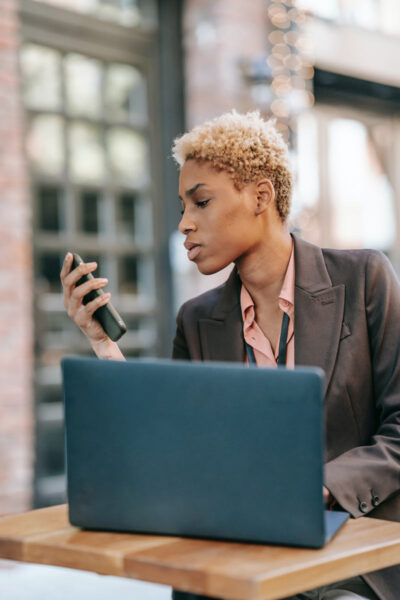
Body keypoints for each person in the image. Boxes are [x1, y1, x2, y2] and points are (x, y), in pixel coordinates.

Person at [60, 110, 400, 600]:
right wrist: (102, 342)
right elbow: (167, 446)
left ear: (261, 196)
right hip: (235, 557)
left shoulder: (364, 279)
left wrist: (319, 487)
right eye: (183, 205)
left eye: (201, 201)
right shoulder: (197, 319)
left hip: (349, 560)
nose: (184, 223)